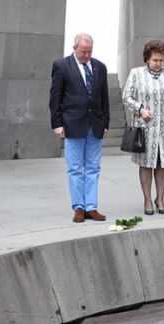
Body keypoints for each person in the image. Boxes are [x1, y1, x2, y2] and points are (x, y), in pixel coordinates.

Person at [49, 33, 109, 222]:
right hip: (72, 124)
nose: (86, 55)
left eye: (89, 51)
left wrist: (105, 121)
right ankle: (79, 208)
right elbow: (55, 97)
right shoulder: (61, 65)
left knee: (93, 167)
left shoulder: (99, 67)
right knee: (75, 168)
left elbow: (104, 97)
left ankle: (91, 206)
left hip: (95, 124)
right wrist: (57, 123)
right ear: (74, 47)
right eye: (83, 51)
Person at [122, 40, 164, 215]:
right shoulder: (136, 74)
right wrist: (140, 108)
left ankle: (161, 199)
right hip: (145, 127)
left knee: (162, 163)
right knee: (146, 164)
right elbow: (126, 96)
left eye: (162, 60)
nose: (158, 64)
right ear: (147, 59)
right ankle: (148, 200)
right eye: (155, 60)